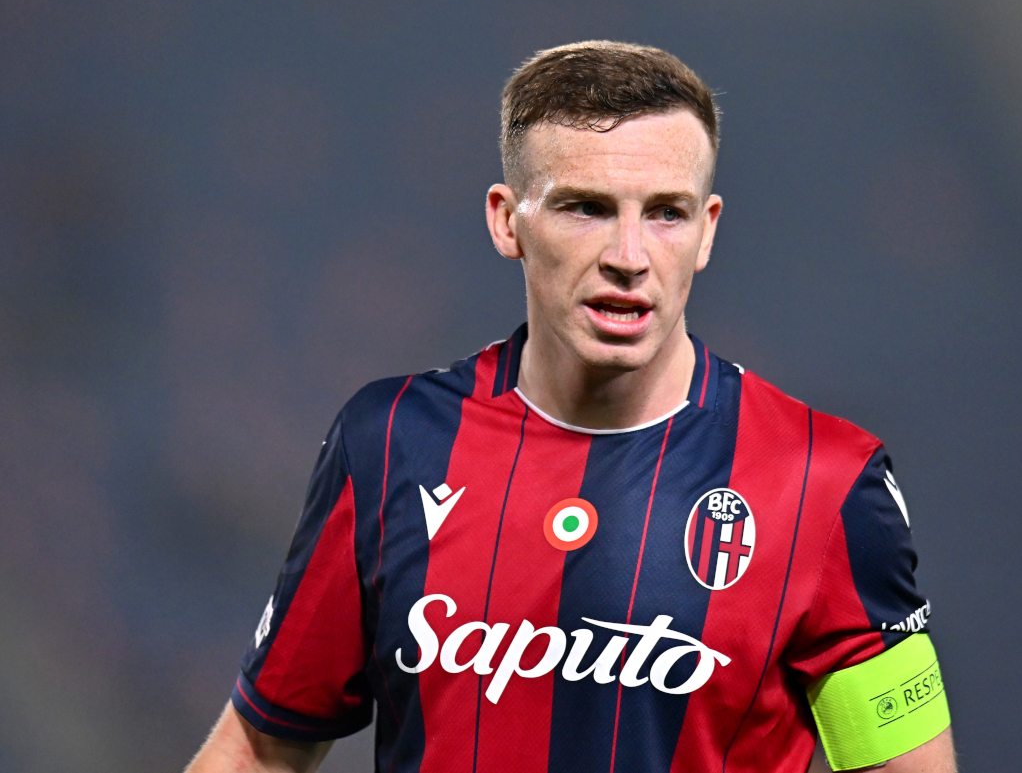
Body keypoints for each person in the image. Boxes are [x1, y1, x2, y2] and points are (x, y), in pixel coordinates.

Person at [186, 41, 956, 773]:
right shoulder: (391, 442)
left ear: (708, 230)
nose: (628, 255)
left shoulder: (826, 482)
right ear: (506, 219)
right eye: (586, 208)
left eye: (666, 212)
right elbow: (258, 750)